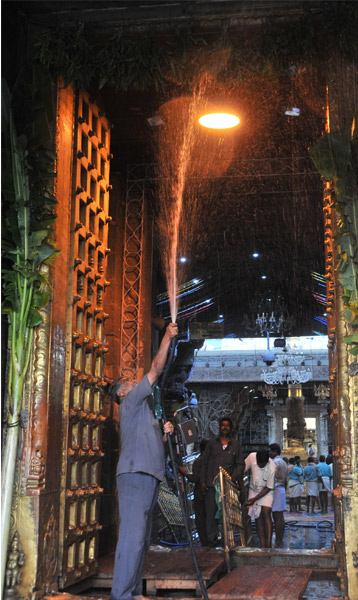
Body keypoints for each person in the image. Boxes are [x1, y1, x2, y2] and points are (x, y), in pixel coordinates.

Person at [108, 322, 178, 600]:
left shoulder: (144, 414)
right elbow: (155, 370)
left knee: (141, 538)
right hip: (135, 474)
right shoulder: (131, 402)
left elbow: (155, 447)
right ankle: (121, 594)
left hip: (148, 474)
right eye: (128, 382)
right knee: (132, 537)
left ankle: (133, 591)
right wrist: (166, 337)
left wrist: (164, 435)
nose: (133, 382)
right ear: (122, 393)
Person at [200, 417, 244, 546]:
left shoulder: (235, 445)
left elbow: (240, 464)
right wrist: (203, 481)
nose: (225, 427)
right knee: (211, 514)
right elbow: (204, 463)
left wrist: (232, 478)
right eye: (223, 425)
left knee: (228, 514)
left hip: (228, 486)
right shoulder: (212, 444)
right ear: (219, 427)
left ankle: (227, 541)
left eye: (227, 425)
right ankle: (212, 542)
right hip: (212, 485)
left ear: (231, 428)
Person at [179, 438, 209, 546]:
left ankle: (205, 543)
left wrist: (184, 473)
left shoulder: (199, 462)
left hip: (201, 493)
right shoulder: (213, 461)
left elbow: (195, 478)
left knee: (201, 520)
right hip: (210, 493)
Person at [245, 449, 276, 548]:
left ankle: (268, 544)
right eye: (258, 463)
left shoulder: (272, 467)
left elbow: (269, 487)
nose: (260, 465)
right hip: (254, 490)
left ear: (267, 461)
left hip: (267, 491)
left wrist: (254, 499)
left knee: (266, 513)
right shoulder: (251, 456)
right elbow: (241, 469)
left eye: (262, 464)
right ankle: (263, 544)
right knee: (258, 516)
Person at [268, 443, 288, 548]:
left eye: (270, 451)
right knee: (280, 516)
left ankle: (278, 540)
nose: (269, 453)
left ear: (275, 451)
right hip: (281, 489)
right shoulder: (284, 462)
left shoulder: (275, 462)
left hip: (276, 489)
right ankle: (280, 539)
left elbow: (272, 477)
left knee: (277, 517)